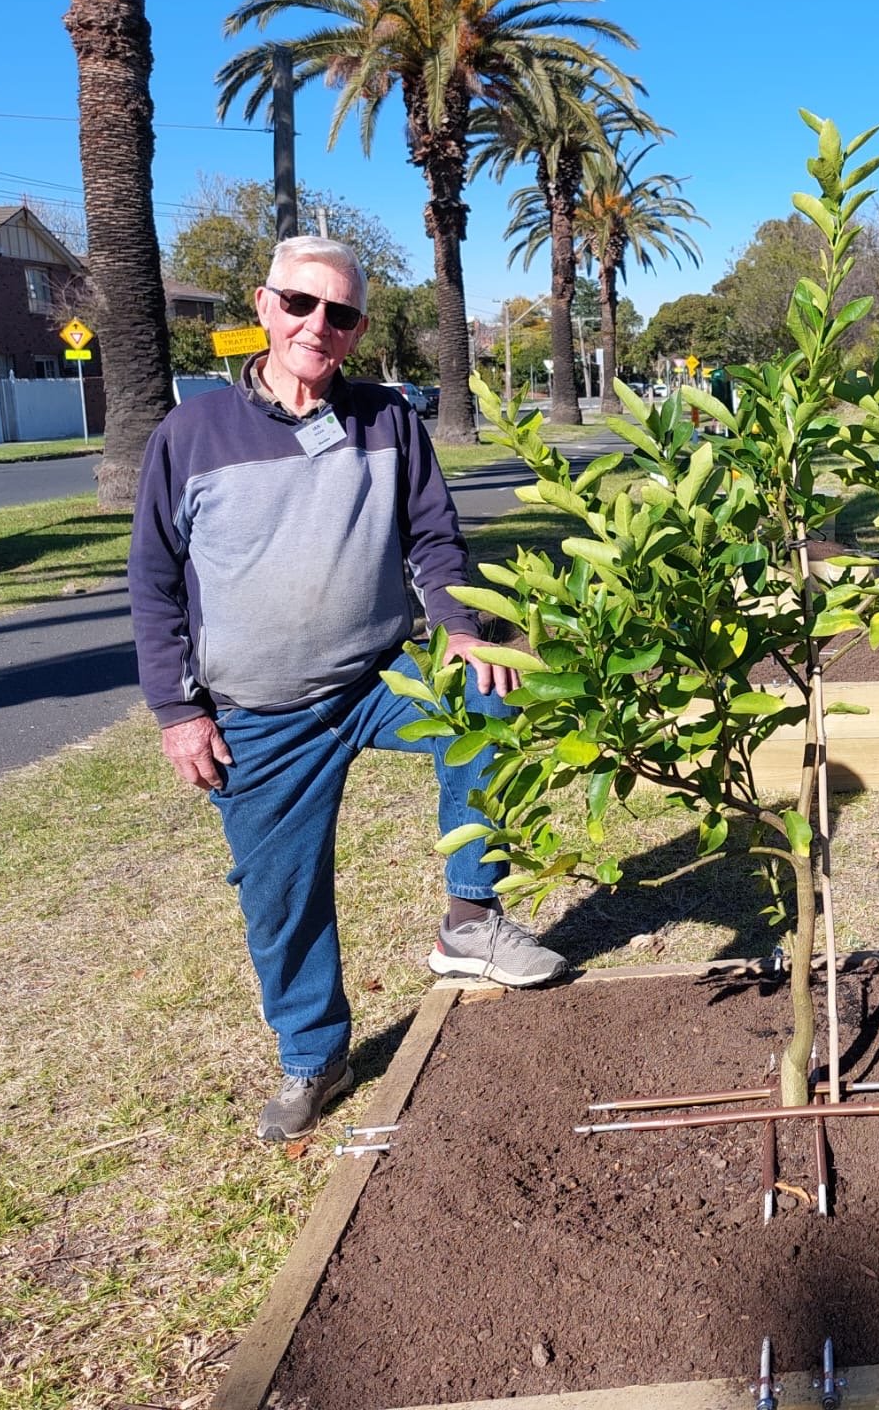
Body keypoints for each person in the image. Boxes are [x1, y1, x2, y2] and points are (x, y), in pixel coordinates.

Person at [129, 236, 567, 1142]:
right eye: (300, 304)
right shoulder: (191, 436)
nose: (316, 327)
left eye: (340, 314)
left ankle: (469, 922)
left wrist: (457, 628)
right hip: (259, 715)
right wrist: (178, 713)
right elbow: (155, 585)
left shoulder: (387, 419)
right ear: (263, 306)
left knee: (489, 696)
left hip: (375, 678)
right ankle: (314, 1056)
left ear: (358, 329)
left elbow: (435, 540)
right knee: (282, 897)